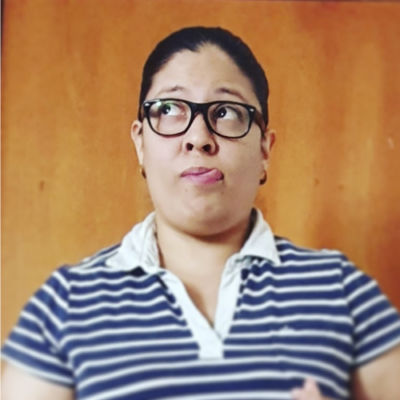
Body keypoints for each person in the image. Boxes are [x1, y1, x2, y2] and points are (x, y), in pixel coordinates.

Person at [2, 26, 400, 400]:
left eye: (226, 112)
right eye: (169, 109)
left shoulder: (338, 289)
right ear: (140, 143)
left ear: (264, 149)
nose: (198, 137)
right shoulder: (67, 302)